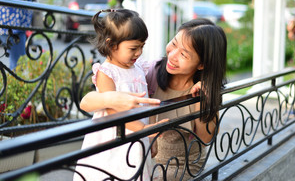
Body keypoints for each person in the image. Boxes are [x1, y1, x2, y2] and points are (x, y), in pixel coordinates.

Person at [80, 18, 228, 180]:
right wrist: (110, 100)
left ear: (202, 64)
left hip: (182, 164)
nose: (172, 55)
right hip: (146, 157)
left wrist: (203, 99)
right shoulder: (149, 71)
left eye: (184, 54)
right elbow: (88, 101)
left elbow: (205, 138)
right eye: (174, 43)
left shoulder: (203, 88)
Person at [73, 9, 165, 181]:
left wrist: (152, 135)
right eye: (133, 48)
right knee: (116, 172)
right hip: (114, 138)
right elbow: (113, 111)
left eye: (141, 47)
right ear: (111, 45)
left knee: (137, 169)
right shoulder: (107, 72)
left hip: (138, 134)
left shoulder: (139, 68)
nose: (138, 53)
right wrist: (143, 130)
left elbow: (149, 101)